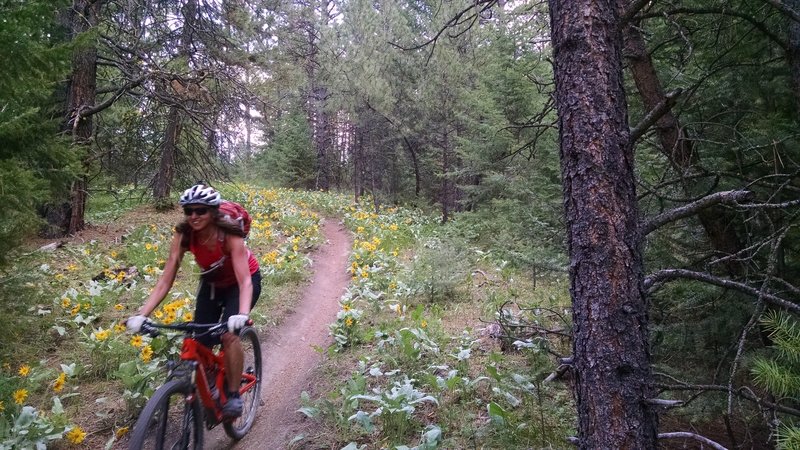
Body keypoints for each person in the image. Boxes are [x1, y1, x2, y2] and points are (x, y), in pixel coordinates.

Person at [127, 184, 261, 418]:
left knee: (229, 335)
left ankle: (233, 394)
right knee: (200, 341)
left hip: (242, 282)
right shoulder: (184, 234)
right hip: (211, 285)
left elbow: (244, 281)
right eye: (188, 211)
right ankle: (209, 388)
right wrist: (142, 314)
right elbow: (165, 279)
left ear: (213, 212)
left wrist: (241, 315)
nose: (194, 216)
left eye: (200, 211)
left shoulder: (229, 233)